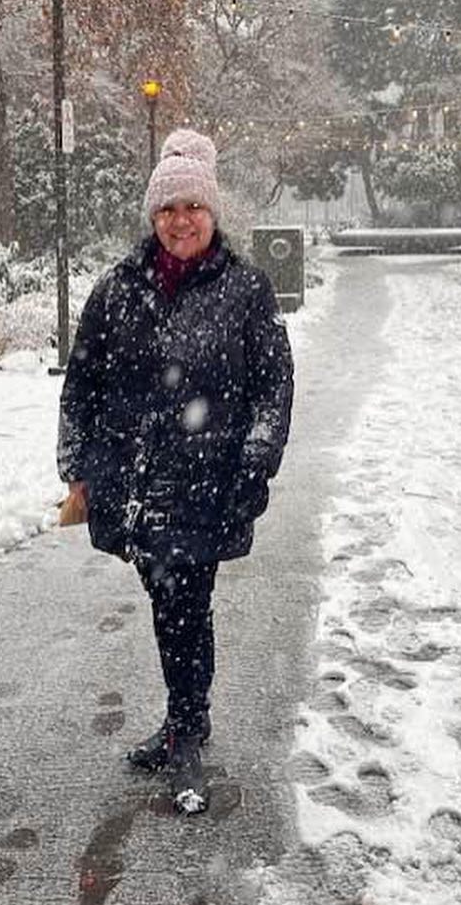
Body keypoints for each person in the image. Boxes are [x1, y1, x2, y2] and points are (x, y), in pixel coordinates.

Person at [58, 129, 294, 813]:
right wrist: (77, 465)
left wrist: (255, 462)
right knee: (170, 605)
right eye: (167, 209)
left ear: (212, 213)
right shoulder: (118, 290)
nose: (180, 221)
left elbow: (274, 386)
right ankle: (182, 723)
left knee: (186, 604)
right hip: (134, 483)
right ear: (152, 216)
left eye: (191, 207)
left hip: (207, 484)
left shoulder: (246, 291)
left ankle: (187, 734)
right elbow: (82, 384)